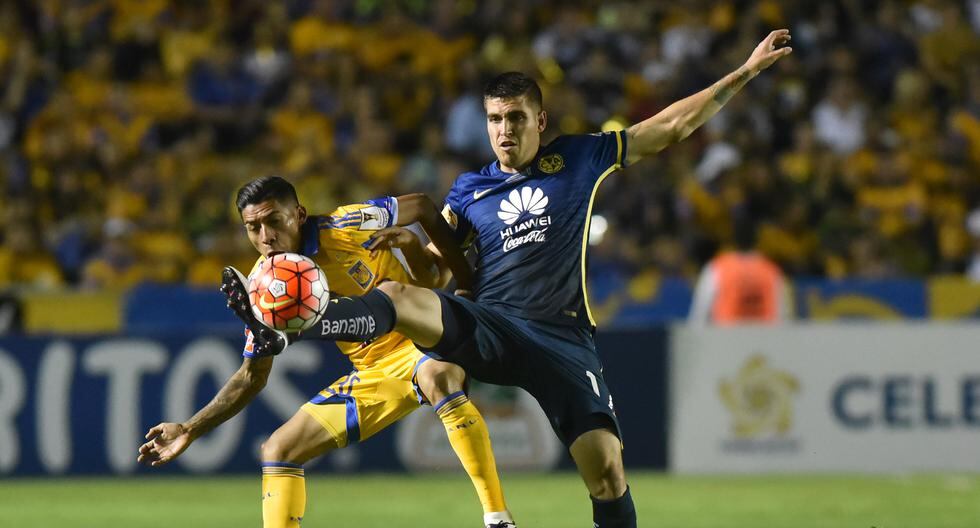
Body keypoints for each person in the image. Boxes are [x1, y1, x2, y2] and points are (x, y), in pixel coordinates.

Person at [226, 31, 794, 528]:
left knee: (607, 474)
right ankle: (308, 322)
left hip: (562, 336)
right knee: (398, 296)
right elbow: (436, 275)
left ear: (539, 121)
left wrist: (745, 71)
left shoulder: (579, 159)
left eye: (515, 118)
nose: (503, 130)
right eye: (495, 119)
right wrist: (412, 249)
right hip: (492, 324)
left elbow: (670, 127)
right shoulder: (468, 192)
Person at [138, 176, 517, 528]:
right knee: (279, 448)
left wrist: (465, 282)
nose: (266, 236)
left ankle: (497, 516)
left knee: (437, 376)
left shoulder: (346, 225)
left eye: (275, 221)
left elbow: (419, 205)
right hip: (373, 372)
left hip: (424, 341)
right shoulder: (263, 286)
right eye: (253, 228)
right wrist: (189, 428)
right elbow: (252, 377)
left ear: (299, 215)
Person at [689, 219, 793, 324]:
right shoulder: (771, 271)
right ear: (757, 239)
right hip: (765, 338)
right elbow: (784, 316)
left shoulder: (717, 268)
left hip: (726, 337)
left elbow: (700, 315)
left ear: (733, 239)